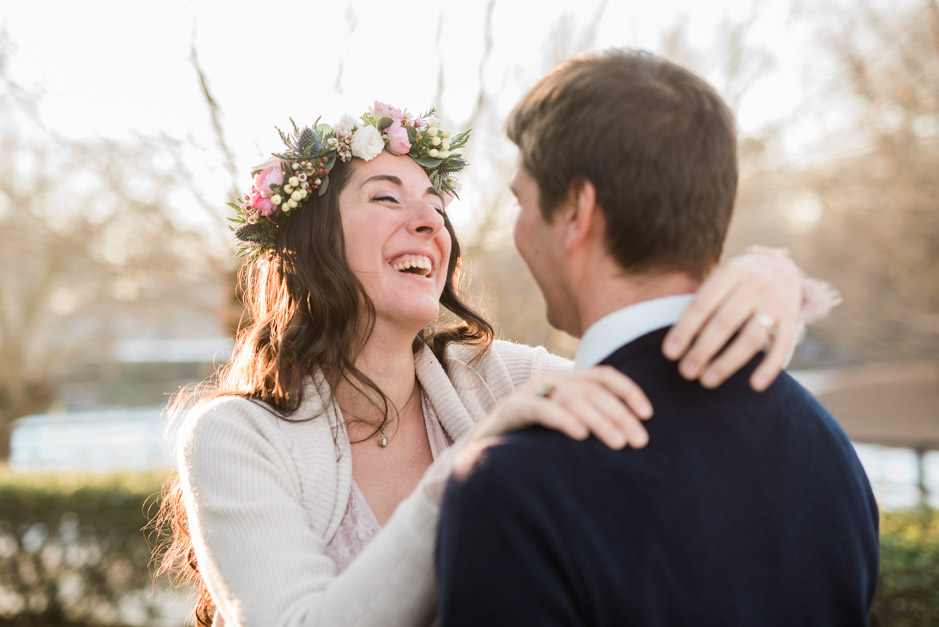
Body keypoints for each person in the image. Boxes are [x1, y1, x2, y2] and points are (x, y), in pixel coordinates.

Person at [152, 102, 833, 627]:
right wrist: (469, 466)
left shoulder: (498, 377)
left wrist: (767, 275)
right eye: (387, 196)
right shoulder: (235, 437)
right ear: (309, 244)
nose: (431, 223)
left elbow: (659, 384)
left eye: (437, 205)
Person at [434, 50, 879, 626]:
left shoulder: (517, 485)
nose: (518, 230)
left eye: (522, 201)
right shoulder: (828, 446)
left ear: (577, 211)